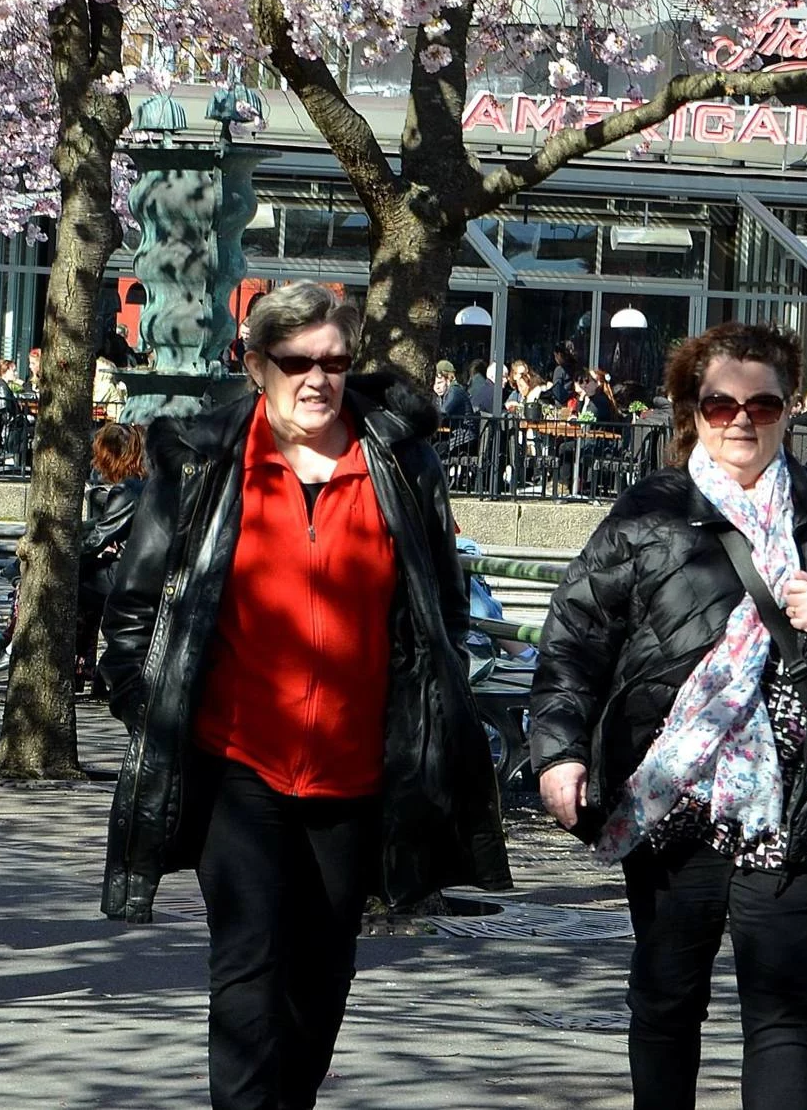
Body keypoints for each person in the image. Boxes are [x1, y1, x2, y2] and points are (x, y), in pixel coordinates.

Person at [98, 282, 510, 1109]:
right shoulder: (208, 456)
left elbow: (442, 603)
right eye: (297, 362)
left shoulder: (399, 460)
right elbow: (133, 608)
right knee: (247, 970)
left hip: (358, 768)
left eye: (335, 360)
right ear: (256, 366)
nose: (318, 378)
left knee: (321, 981)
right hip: (236, 763)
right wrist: (153, 706)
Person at [530, 319, 807, 1110]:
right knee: (668, 998)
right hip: (671, 800)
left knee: (781, 1009)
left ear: (792, 406)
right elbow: (575, 638)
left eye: (763, 403)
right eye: (719, 404)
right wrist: (557, 750)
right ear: (692, 408)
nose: (742, 419)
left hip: (792, 805)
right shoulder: (650, 512)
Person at [77, 421, 145, 698]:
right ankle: (89, 669)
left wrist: (66, 554)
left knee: (72, 581)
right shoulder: (144, 485)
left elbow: (98, 538)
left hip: (129, 576)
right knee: (85, 578)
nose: (96, 462)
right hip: (138, 571)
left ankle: (80, 665)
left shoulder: (126, 491)